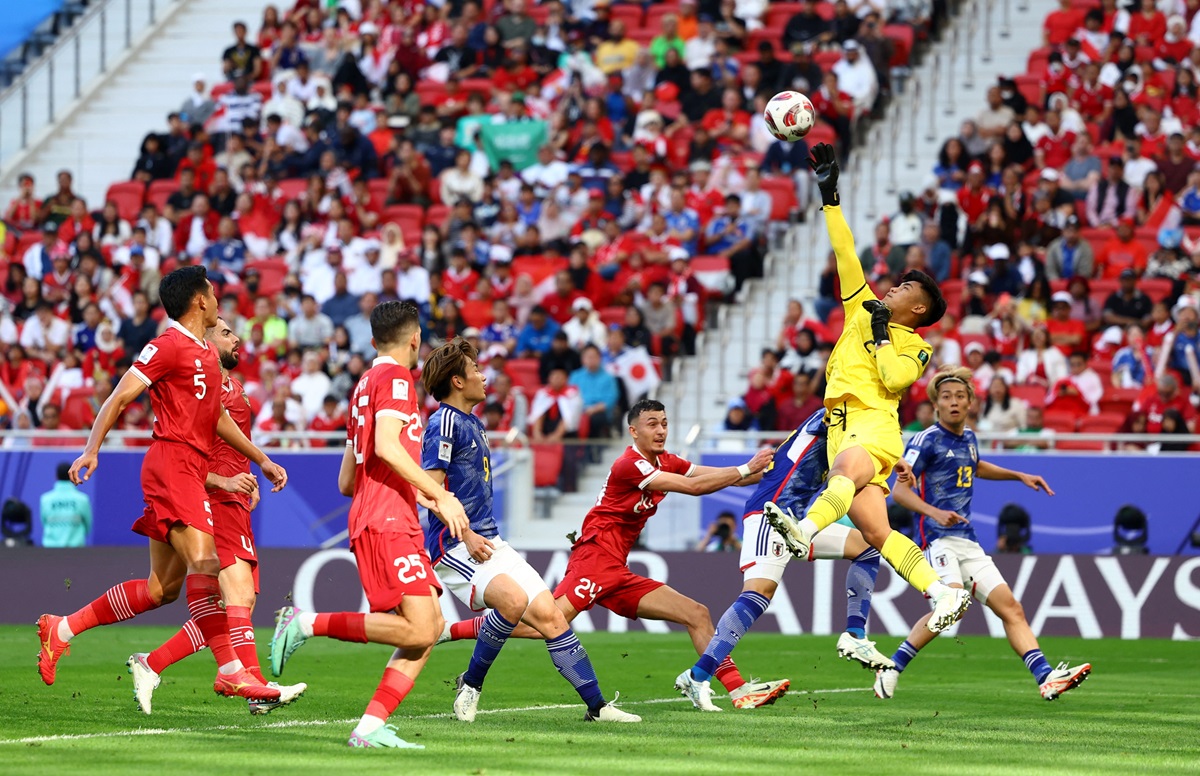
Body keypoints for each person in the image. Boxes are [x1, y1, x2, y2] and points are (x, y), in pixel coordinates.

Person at [38, 267, 287, 704]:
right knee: (208, 563)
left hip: (188, 468)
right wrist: (91, 449)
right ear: (199, 301)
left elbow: (218, 418)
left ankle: (61, 627)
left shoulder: (207, 356)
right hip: (172, 464)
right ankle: (232, 670)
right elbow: (119, 396)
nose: (216, 300)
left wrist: (261, 458)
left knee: (161, 590)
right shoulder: (168, 345)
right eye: (211, 294)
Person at [440, 399, 789, 711]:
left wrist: (771, 466)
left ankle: (736, 689)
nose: (661, 430)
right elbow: (694, 487)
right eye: (652, 423)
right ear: (633, 431)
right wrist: (745, 469)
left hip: (617, 569)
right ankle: (449, 631)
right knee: (543, 627)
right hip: (593, 559)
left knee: (696, 614)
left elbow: (716, 478)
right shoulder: (630, 465)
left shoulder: (667, 460)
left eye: (665, 423)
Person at [765, 143, 971, 635]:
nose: (892, 289)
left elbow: (895, 379)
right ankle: (943, 592)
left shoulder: (914, 344)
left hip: (872, 423)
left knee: (842, 473)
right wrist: (829, 195)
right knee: (877, 531)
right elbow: (845, 252)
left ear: (918, 309)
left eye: (904, 289)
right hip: (841, 423)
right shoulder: (863, 307)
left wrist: (880, 334)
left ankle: (804, 528)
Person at [268, 301, 470, 749]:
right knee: (420, 628)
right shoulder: (397, 379)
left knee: (430, 626)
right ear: (415, 338)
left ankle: (370, 727)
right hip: (386, 521)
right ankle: (305, 623)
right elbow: (386, 447)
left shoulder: (363, 385)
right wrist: (439, 493)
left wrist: (422, 499)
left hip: (383, 514)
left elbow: (348, 479)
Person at [419, 338, 638, 723]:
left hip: (490, 539)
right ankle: (469, 688)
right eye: (475, 370)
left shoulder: (473, 422)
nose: (484, 376)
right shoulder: (444, 421)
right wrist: (465, 533)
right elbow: (428, 488)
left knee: (552, 619)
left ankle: (598, 707)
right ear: (456, 381)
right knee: (513, 600)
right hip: (455, 545)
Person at [878, 366, 1091, 701]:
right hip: (937, 538)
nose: (953, 403)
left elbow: (974, 465)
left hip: (968, 541)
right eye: (946, 397)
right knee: (950, 608)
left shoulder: (970, 439)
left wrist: (1018, 475)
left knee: (1012, 609)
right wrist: (935, 512)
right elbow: (900, 493)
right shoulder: (925, 440)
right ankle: (891, 669)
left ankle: (1046, 678)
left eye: (960, 397)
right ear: (936, 405)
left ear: (970, 403)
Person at [128, 318, 307, 715]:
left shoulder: (231, 386)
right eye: (225, 332)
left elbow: (228, 444)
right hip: (211, 498)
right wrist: (223, 482)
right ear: (205, 341)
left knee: (232, 603)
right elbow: (187, 453)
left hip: (234, 499)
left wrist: (252, 470)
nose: (236, 337)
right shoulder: (201, 387)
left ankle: (153, 663)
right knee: (236, 594)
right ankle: (255, 688)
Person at [676, 408, 903, 712]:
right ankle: (697, 676)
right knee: (758, 594)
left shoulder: (850, 424)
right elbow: (857, 444)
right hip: (769, 513)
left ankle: (855, 634)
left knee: (867, 546)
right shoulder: (834, 413)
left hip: (797, 521)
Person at [39, 463, 92, 548]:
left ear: (56, 476)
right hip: (76, 551)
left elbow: (44, 522)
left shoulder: (45, 500)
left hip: (50, 550)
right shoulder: (82, 499)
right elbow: (88, 525)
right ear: (73, 474)